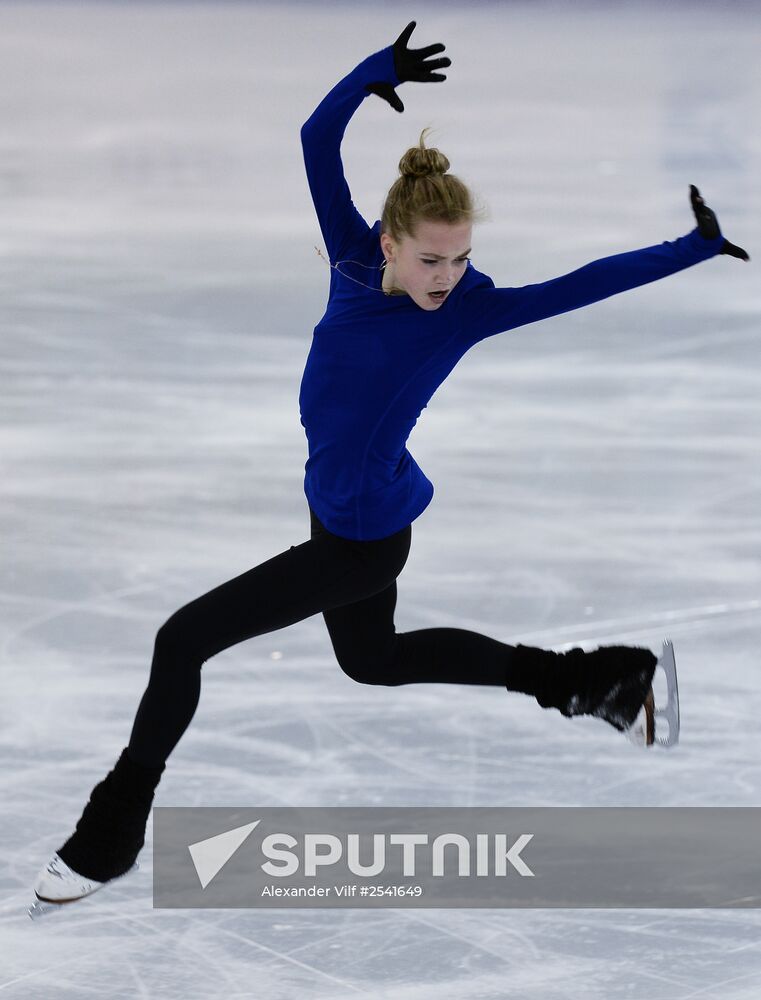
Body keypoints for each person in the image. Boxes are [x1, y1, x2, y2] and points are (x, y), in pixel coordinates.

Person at [31, 21, 748, 909]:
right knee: (372, 661)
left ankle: (108, 835)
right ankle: (595, 680)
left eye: (461, 257)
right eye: (431, 256)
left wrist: (691, 248)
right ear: (389, 244)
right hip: (343, 512)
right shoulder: (346, 256)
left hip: (362, 535)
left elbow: (579, 284)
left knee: (181, 641)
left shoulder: (459, 314)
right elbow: (313, 140)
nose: (447, 273)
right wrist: (373, 73)